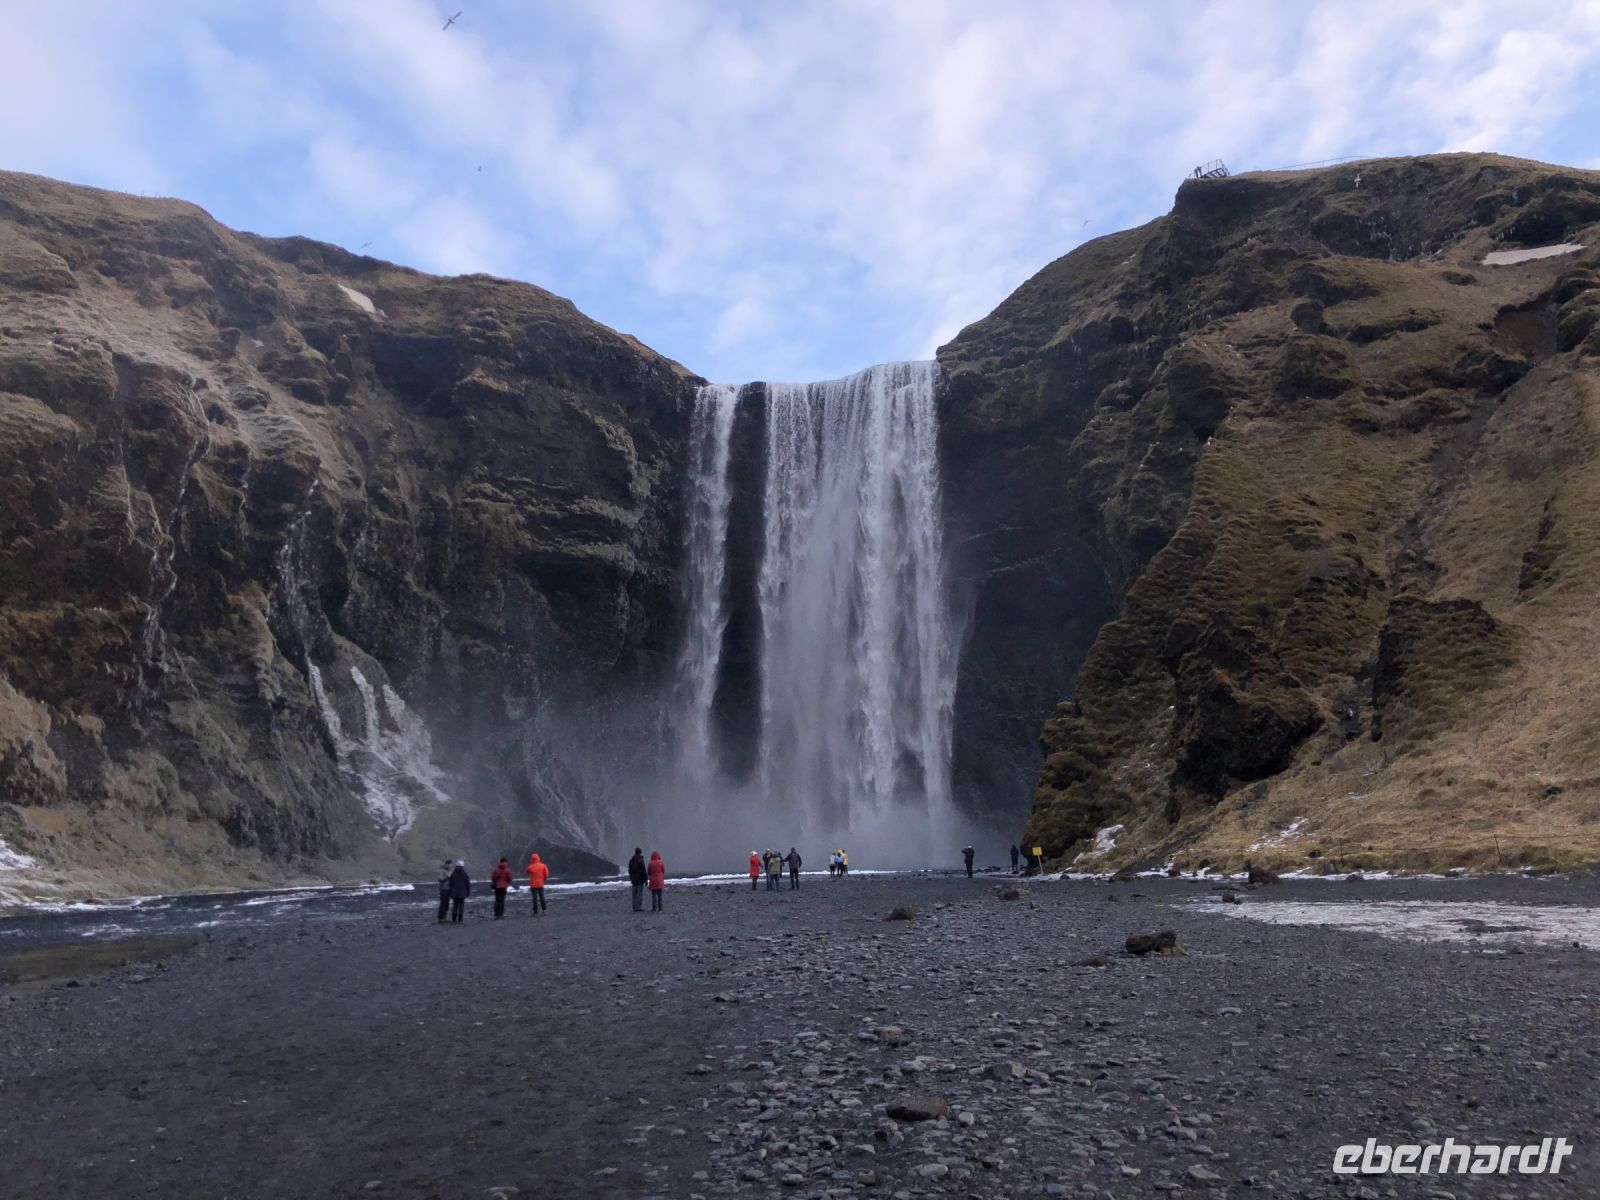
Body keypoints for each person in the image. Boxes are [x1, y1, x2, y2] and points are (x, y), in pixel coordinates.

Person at [628, 847, 648, 912]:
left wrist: (631, 878)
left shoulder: (631, 860)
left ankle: (634, 907)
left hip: (633, 880)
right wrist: (646, 880)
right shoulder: (641, 860)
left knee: (634, 894)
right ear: (640, 852)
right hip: (640, 880)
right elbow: (643, 871)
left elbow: (629, 871)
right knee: (639, 894)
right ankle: (638, 907)